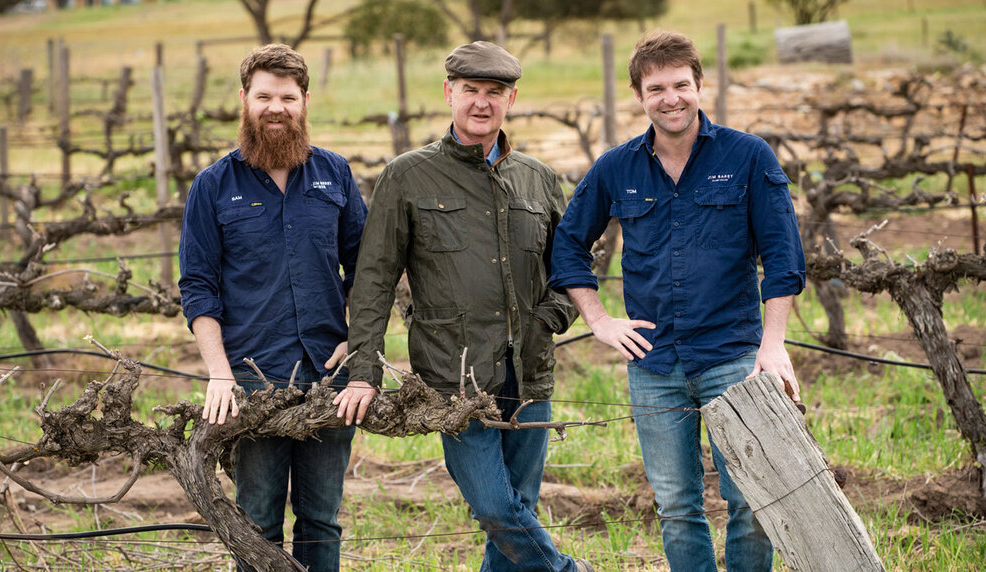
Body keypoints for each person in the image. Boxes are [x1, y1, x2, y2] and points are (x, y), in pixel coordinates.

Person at [548, 31, 806, 572]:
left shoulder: (747, 156)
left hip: (734, 357)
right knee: (675, 506)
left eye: (681, 85)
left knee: (754, 500)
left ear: (699, 85)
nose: (671, 98)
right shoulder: (617, 167)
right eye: (656, 88)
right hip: (653, 362)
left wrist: (774, 345)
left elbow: (783, 257)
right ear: (639, 95)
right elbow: (568, 242)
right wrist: (597, 318)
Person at [335, 41, 592, 572]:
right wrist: (363, 371)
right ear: (448, 92)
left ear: (512, 98)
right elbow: (375, 279)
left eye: (494, 92)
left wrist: (549, 322)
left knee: (516, 512)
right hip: (455, 378)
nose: (481, 102)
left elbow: (571, 272)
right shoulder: (408, 176)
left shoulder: (537, 178)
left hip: (530, 374)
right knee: (496, 509)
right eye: (470, 90)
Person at [178, 43, 370, 571]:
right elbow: (197, 286)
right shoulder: (213, 186)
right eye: (264, 96)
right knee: (258, 520)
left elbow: (367, 269)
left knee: (321, 520)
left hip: (328, 376)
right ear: (244, 99)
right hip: (251, 379)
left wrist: (358, 337)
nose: (276, 107)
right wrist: (218, 374)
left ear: (304, 101)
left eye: (288, 96)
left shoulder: (335, 174)